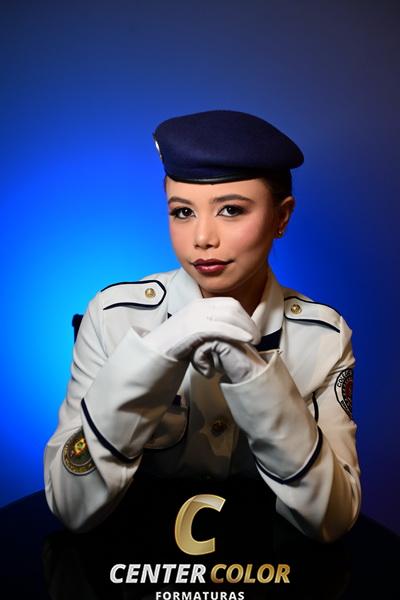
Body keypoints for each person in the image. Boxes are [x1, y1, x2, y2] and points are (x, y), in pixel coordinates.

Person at [44, 109, 361, 542]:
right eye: (182, 212)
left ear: (282, 217)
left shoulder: (322, 338)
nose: (202, 238)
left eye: (231, 210)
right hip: (133, 561)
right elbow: (69, 503)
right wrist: (152, 359)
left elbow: (333, 518)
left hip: (265, 564)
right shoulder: (114, 318)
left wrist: (258, 381)